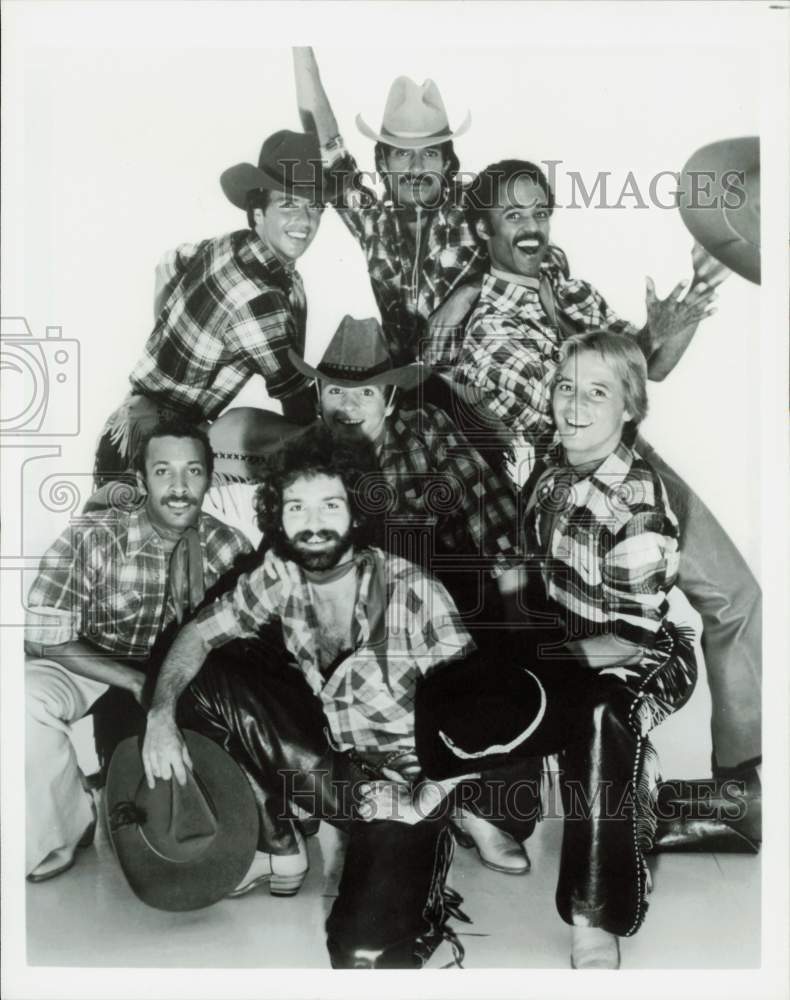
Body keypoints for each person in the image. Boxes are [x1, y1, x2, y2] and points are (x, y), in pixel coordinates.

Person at [366, 331, 699, 969]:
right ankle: (474, 804)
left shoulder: (640, 506)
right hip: (565, 637)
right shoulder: (553, 464)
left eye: (597, 392)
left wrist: (534, 669)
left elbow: (629, 637)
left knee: (598, 711)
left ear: (629, 408)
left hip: (640, 655)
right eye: (566, 386)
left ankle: (595, 913)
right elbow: (523, 566)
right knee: (466, 661)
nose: (574, 404)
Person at [448, 159, 761, 824]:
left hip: (628, 456)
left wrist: (698, 294)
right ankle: (587, 793)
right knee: (607, 642)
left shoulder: (558, 274)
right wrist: (643, 347)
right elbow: (581, 410)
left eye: (539, 212)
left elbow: (644, 374)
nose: (532, 228)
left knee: (737, 597)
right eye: (514, 216)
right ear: (483, 229)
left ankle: (741, 789)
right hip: (571, 484)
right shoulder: (486, 329)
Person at [214, 314, 541, 874]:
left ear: (390, 400)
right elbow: (285, 551)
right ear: (317, 393)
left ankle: (474, 807)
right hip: (346, 627)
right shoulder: (307, 452)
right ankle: (348, 788)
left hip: (440, 613)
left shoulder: (430, 431)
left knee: (491, 626)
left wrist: (523, 647)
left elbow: (499, 530)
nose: (347, 404)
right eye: (334, 389)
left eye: (364, 392)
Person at [140, 426, 476, 968]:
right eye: (296, 506)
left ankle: (427, 856)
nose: (313, 523)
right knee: (193, 681)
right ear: (279, 516)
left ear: (357, 513)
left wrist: (422, 798)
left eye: (329, 505)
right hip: (335, 769)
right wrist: (160, 715)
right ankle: (278, 840)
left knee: (360, 954)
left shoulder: (414, 593)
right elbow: (199, 634)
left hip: (409, 786)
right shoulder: (282, 579)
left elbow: (479, 733)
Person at [25, 421, 251, 882]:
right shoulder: (93, 535)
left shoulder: (229, 546)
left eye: (193, 471)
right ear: (141, 478)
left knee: (156, 799)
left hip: (180, 673)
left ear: (210, 478)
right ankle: (66, 826)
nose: (179, 487)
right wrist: (133, 681)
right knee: (21, 698)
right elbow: (44, 633)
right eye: (163, 471)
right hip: (91, 660)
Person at [292, 47, 570, 374]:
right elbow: (324, 143)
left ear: (447, 162)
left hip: (492, 392)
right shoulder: (373, 221)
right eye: (402, 154)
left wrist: (471, 290)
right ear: (382, 162)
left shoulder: (477, 206)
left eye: (430, 154)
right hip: (412, 398)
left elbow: (550, 261)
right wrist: (297, 37)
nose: (417, 168)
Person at [94, 130, 326, 486]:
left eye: (314, 206)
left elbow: (170, 263)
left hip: (127, 421)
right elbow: (297, 403)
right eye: (289, 204)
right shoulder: (260, 298)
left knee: (108, 538)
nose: (305, 220)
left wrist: (180, 345)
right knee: (319, 449)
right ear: (258, 212)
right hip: (156, 450)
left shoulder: (230, 245)